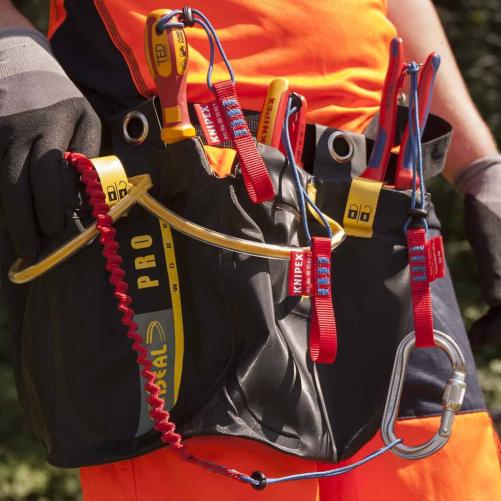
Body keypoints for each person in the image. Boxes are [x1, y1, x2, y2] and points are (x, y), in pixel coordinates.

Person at [0, 0, 500, 499]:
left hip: (383, 211)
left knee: (441, 478)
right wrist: (12, 53)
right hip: (175, 208)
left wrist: (482, 169)